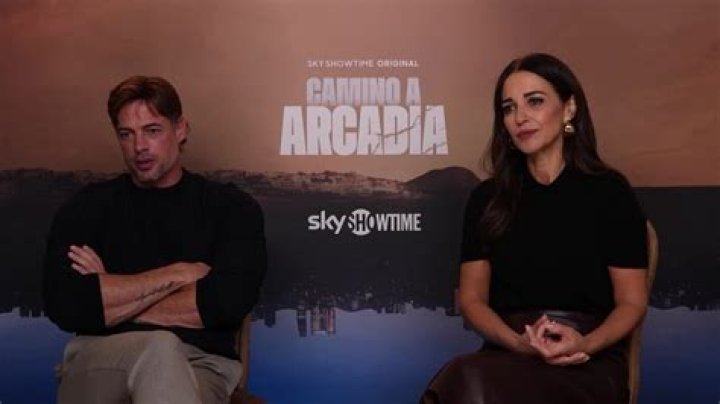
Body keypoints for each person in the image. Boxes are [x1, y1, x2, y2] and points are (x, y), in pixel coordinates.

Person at [421, 53, 648, 404]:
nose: (520, 117)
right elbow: (471, 299)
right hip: (507, 353)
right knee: (465, 376)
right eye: (508, 108)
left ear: (569, 108)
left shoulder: (610, 192)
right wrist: (518, 343)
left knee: (466, 382)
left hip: (586, 361)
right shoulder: (487, 199)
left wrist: (585, 344)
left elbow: (632, 302)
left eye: (535, 101)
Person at [42, 76, 267, 404]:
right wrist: (177, 274)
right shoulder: (87, 208)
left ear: (180, 129)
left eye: (152, 130)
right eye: (126, 134)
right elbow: (66, 305)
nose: (139, 147)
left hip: (199, 363)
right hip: (101, 359)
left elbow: (225, 304)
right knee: (160, 346)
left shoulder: (231, 209)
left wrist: (108, 295)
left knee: (164, 350)